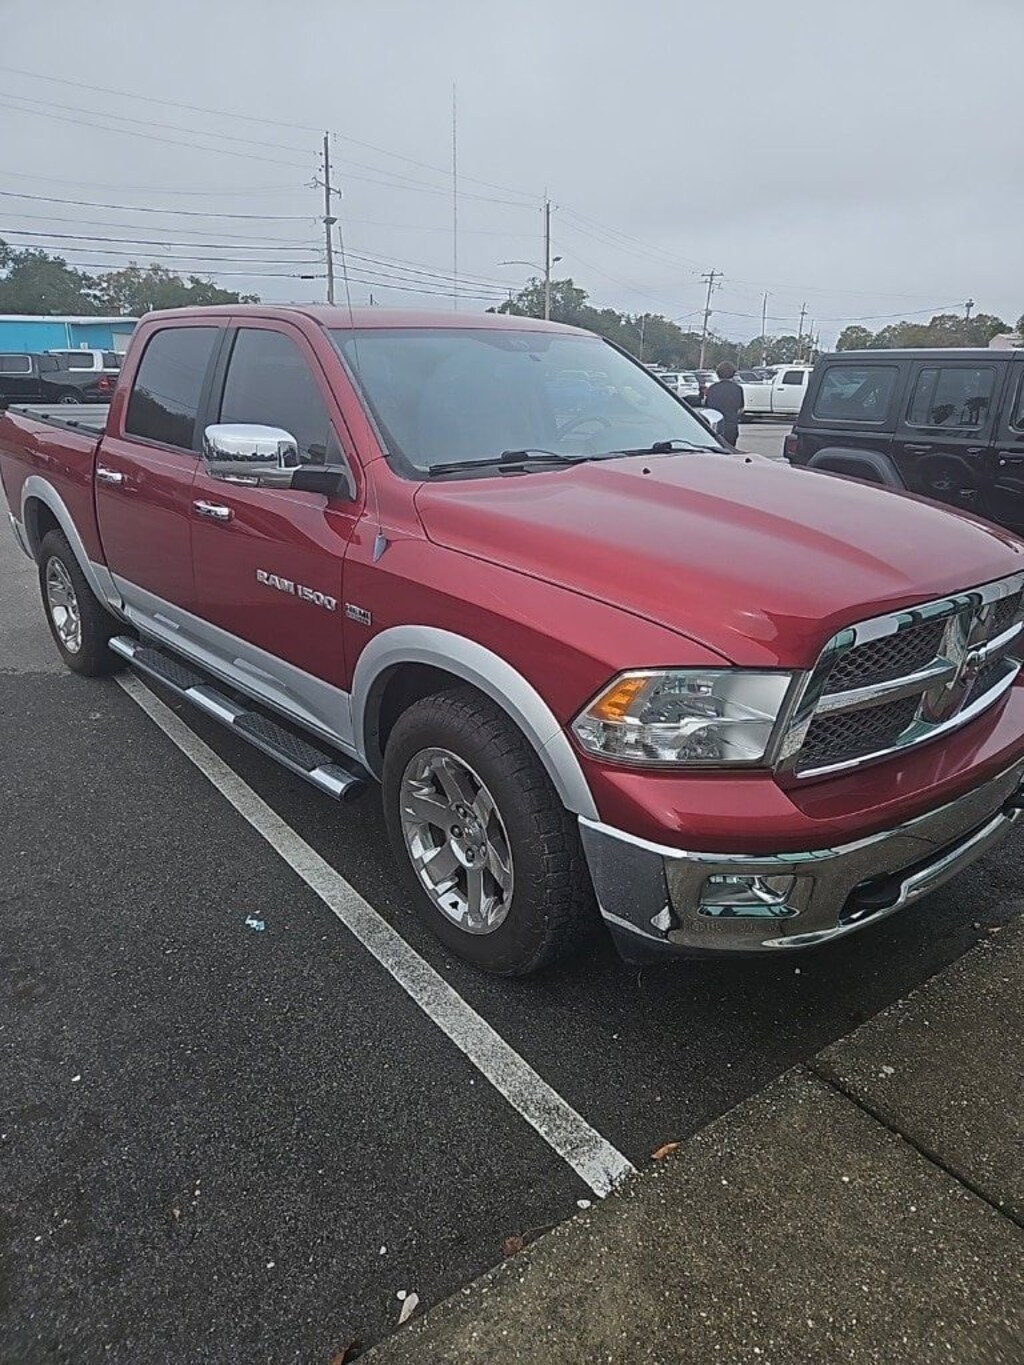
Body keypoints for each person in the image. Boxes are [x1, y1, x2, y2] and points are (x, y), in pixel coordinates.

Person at [704, 362, 744, 446]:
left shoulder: (712, 389)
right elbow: (740, 409)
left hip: (714, 428)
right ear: (733, 374)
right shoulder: (738, 389)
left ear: (718, 374)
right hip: (731, 426)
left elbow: (707, 408)